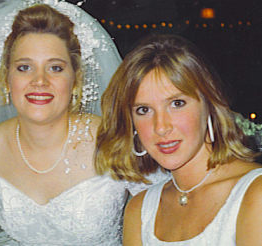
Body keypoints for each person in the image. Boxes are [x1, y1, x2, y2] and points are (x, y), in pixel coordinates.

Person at [0, 0, 167, 245]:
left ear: (75, 80)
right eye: (24, 67)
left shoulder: (112, 139)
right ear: (6, 78)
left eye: (55, 67)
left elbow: (167, 210)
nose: (39, 81)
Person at [96, 34, 262, 245]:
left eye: (177, 104)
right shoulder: (140, 210)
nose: (161, 127)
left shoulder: (255, 194)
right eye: (144, 110)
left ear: (209, 104)